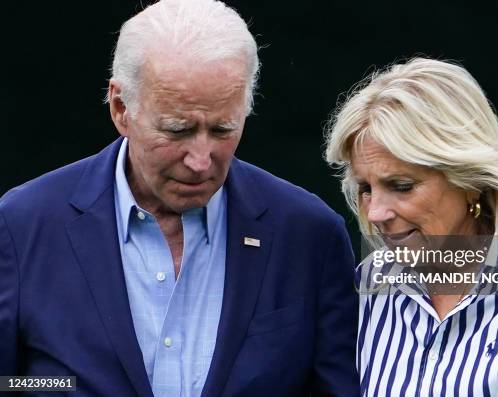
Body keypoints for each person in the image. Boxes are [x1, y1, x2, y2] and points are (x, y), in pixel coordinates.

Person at [0, 1, 359, 396]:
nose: (201, 160)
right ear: (121, 108)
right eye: (177, 130)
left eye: (223, 129)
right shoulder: (21, 225)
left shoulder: (309, 235)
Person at [325, 57, 498, 396]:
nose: (375, 213)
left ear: (471, 180)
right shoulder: (370, 284)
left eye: (401, 186)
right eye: (366, 189)